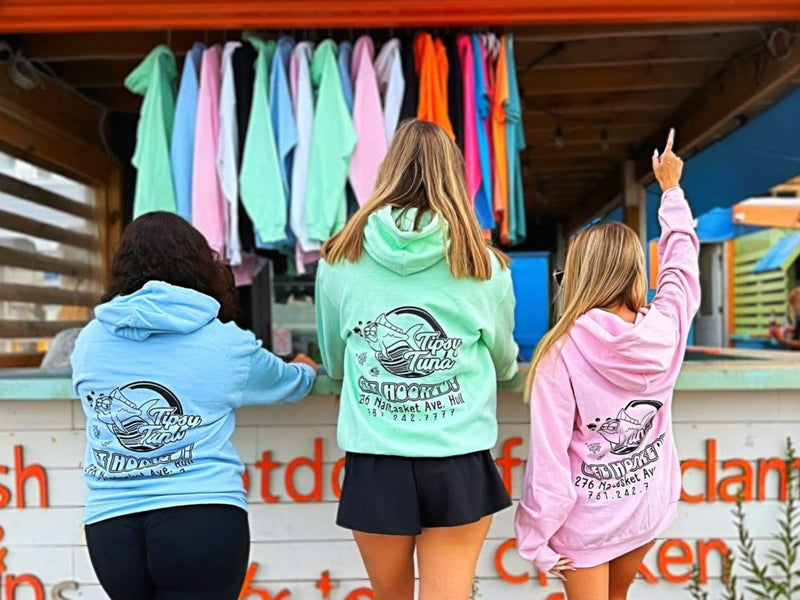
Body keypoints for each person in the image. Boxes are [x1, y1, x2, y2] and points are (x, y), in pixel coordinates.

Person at [315, 119, 519, 600]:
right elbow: (505, 363)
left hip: (375, 459)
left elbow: (335, 362)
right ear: (455, 176)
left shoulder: (338, 261)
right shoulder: (483, 264)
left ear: (386, 171)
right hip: (457, 458)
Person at [71, 211, 318, 600]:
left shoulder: (89, 340)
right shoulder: (225, 343)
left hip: (110, 529)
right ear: (200, 264)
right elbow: (288, 385)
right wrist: (306, 368)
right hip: (200, 519)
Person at [514, 130, 700, 600]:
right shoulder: (667, 325)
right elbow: (681, 267)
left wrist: (536, 540)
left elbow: (550, 464)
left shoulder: (560, 352)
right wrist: (671, 190)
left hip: (586, 523)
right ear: (635, 274)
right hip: (645, 508)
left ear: (578, 276)